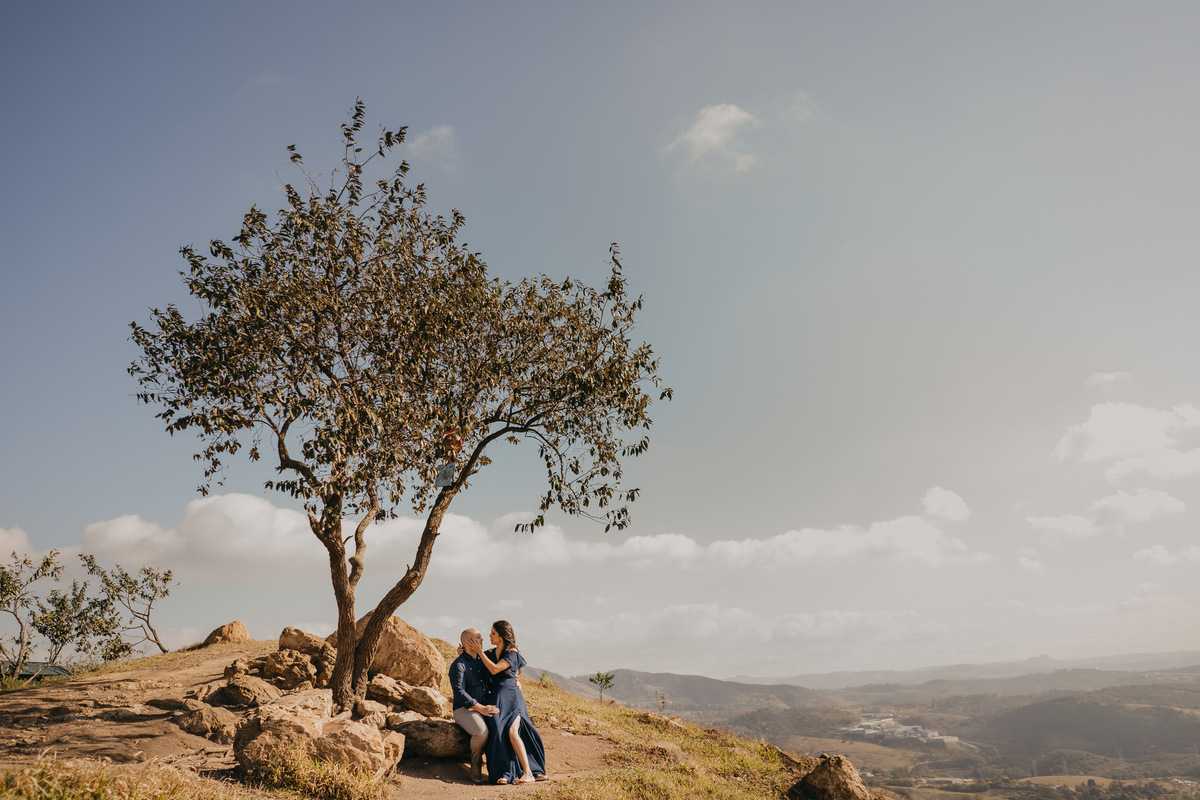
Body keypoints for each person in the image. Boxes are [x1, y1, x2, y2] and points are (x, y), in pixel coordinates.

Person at [479, 620, 547, 785]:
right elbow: (475, 660)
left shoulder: (513, 653)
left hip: (512, 697)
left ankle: (528, 772)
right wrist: (464, 652)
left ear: (501, 636)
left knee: (512, 731)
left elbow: (495, 669)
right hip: (495, 698)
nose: (490, 636)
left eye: (493, 633)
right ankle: (505, 773)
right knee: (497, 730)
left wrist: (479, 653)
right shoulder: (490, 652)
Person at [448, 628, 498, 783]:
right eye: (478, 637)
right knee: (481, 732)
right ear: (469, 642)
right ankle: (475, 764)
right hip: (464, 710)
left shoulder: (482, 661)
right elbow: (459, 692)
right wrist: (480, 708)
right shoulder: (458, 665)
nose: (482, 639)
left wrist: (515, 681)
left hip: (484, 707)